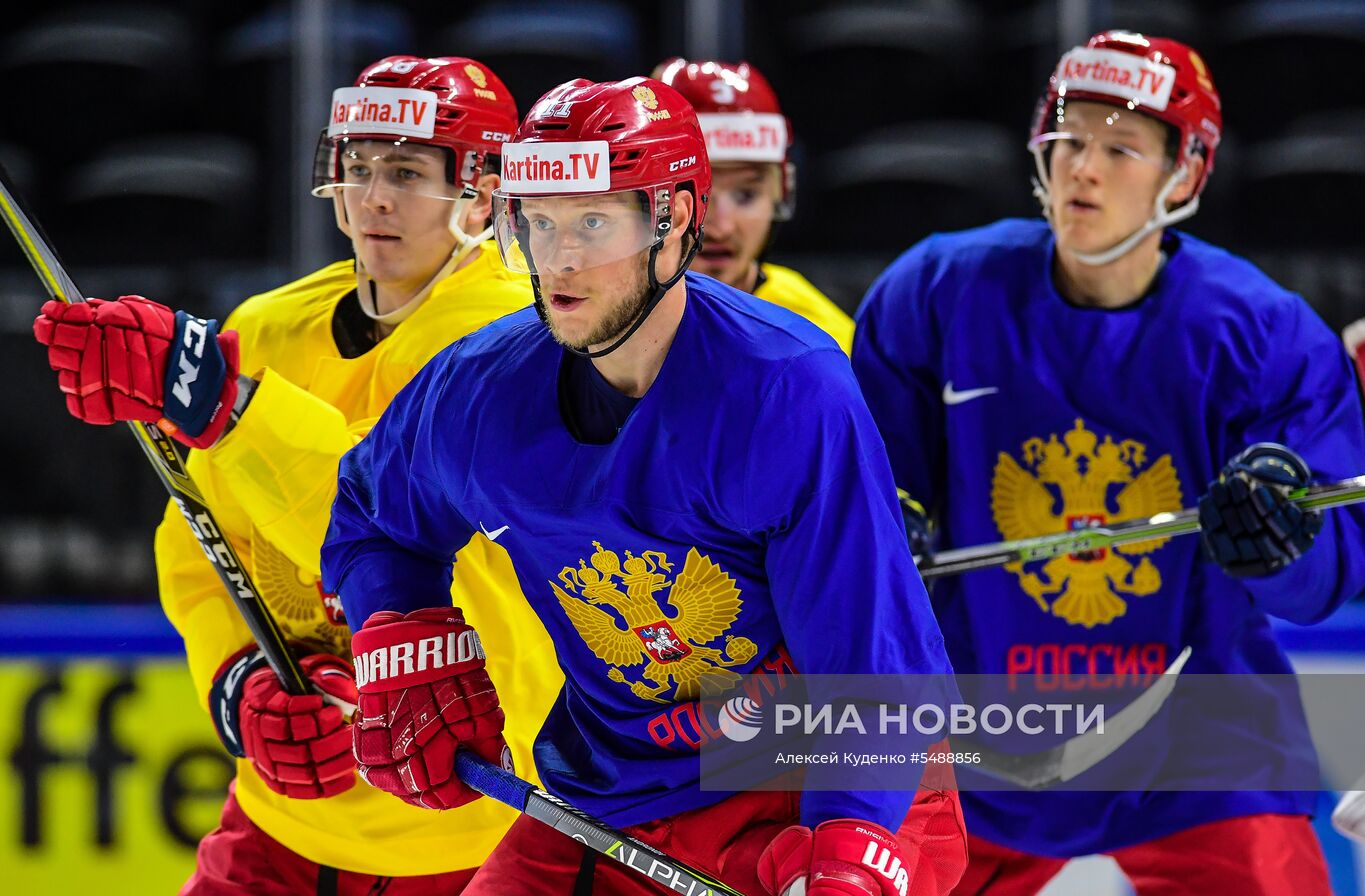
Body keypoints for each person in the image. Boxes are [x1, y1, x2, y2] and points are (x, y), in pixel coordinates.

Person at [320, 76, 968, 895]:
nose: (559, 257)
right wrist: (403, 639)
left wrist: (849, 844)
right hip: (611, 795)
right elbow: (374, 516)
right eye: (540, 221)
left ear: (676, 224)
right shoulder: (477, 391)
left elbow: (871, 667)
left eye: (593, 221)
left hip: (816, 781)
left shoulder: (785, 389)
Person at [851, 30, 1365, 895]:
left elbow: (1324, 575)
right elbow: (868, 491)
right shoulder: (935, 295)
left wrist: (1283, 542)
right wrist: (882, 540)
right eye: (1069, 140)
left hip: (1202, 733)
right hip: (974, 732)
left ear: (1185, 173)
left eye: (1120, 147)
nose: (1082, 169)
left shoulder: (1264, 333)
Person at [32, 55, 563, 894]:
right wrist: (241, 682)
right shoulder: (271, 328)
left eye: (406, 172)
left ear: (485, 188)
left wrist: (226, 406)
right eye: (358, 167)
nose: (373, 197)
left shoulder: (526, 342)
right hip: (279, 831)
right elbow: (199, 541)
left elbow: (395, 526)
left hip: (471, 842)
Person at [653, 56, 854, 351]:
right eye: (694, 196)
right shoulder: (585, 316)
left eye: (746, 195)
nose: (721, 228)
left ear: (781, 194)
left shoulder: (826, 338)